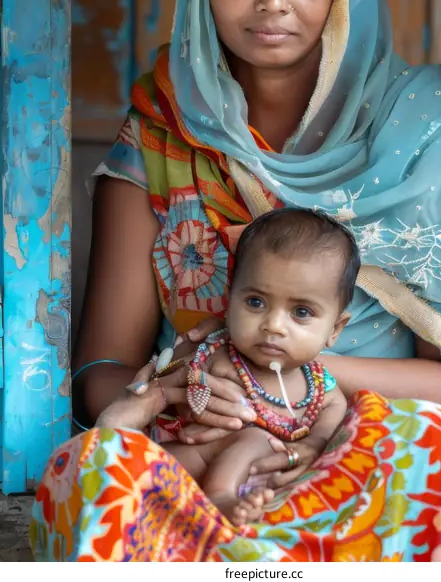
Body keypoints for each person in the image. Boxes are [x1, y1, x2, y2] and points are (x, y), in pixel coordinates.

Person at [30, 0, 441, 562]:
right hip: (205, 458)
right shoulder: (162, 132)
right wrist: (182, 387)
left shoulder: (424, 127)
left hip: (372, 460)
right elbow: (100, 374)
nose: (273, 1)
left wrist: (284, 384)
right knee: (89, 470)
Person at [150, 208, 353, 526]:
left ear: (335, 330)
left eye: (301, 312)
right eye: (256, 302)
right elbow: (171, 385)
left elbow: (333, 412)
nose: (274, 325)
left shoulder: (321, 388)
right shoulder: (214, 353)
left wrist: (314, 442)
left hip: (264, 492)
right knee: (255, 438)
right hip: (184, 469)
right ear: (230, 299)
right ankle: (220, 496)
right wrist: (190, 383)